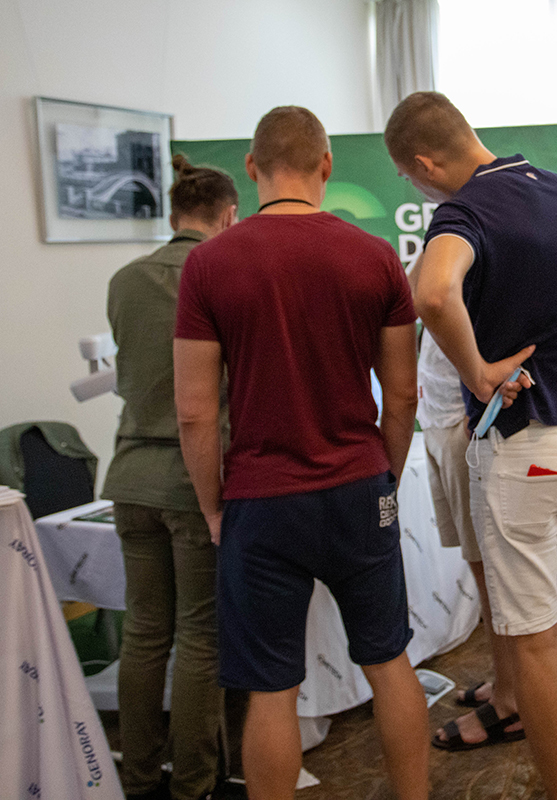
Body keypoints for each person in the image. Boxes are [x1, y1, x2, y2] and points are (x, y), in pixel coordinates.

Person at [173, 106, 429, 800]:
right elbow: (402, 396)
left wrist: (214, 509)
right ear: (326, 165)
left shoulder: (207, 264)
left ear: (251, 168)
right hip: (357, 488)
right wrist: (383, 477)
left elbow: (195, 412)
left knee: (271, 690)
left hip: (260, 500)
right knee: (389, 663)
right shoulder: (376, 256)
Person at [384, 91, 557, 800]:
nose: (417, 187)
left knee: (533, 641)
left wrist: (478, 372)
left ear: (426, 163)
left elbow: (433, 294)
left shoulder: (462, 213)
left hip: (524, 452)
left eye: (411, 176)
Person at [103, 154, 237, 800]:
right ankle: (193, 786)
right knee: (201, 637)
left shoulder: (124, 281)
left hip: (130, 476)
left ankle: (136, 779)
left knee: (144, 632)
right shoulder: (223, 275)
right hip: (194, 479)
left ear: (174, 212)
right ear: (229, 216)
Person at [411, 310, 524, 751]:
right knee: (483, 570)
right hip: (441, 417)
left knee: (492, 573)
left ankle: (511, 702)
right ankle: (506, 682)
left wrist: (479, 407)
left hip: (464, 421)